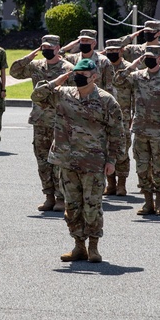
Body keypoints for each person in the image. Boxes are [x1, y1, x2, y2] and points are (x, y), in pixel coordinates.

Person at [31, 59, 123, 264]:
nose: (79, 76)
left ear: (95, 76)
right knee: (72, 206)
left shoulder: (106, 100)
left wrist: (112, 160)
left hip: (93, 162)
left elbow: (117, 133)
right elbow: (37, 96)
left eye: (84, 74)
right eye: (76, 73)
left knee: (92, 206)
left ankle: (93, 248)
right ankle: (78, 246)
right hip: (66, 160)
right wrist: (57, 80)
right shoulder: (63, 94)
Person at [114, 46, 160, 215]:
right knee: (142, 168)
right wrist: (133, 65)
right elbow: (118, 81)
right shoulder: (137, 76)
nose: (149, 59)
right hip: (141, 130)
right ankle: (148, 203)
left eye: (152, 57)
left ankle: (159, 204)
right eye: (146, 57)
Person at [10, 35, 73, 212]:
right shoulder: (36, 66)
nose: (46, 50)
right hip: (40, 120)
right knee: (42, 160)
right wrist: (30, 56)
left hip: (60, 121)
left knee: (59, 160)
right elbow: (15, 71)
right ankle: (49, 196)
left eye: (50, 47)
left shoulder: (68, 69)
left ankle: (61, 197)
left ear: (58, 48)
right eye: (44, 47)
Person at [103, 39, 132, 196]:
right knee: (106, 149)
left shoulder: (129, 69)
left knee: (122, 150)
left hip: (124, 116)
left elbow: (135, 93)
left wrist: (134, 114)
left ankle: (122, 183)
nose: (112, 53)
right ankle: (111, 183)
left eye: (115, 50)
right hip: (105, 116)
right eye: (109, 50)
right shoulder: (102, 67)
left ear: (122, 51)